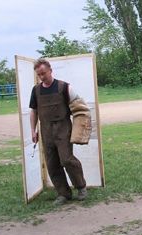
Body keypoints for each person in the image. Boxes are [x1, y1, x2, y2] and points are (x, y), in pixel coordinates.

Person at [29, 58, 88, 205]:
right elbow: (34, 111)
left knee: (67, 159)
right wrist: (33, 130)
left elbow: (80, 108)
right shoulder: (36, 90)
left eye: (44, 73)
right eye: (39, 75)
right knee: (52, 163)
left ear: (50, 70)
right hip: (46, 131)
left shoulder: (65, 87)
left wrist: (80, 129)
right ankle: (63, 193)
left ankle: (81, 187)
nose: (42, 77)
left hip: (63, 129)